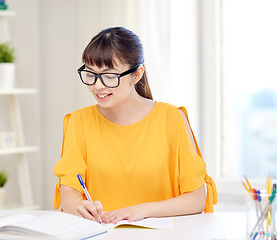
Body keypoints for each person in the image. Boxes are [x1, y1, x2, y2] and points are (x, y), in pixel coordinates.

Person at [53, 27, 217, 224]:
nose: (97, 86)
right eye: (90, 74)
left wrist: (141, 210)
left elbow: (196, 199)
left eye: (109, 76)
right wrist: (80, 206)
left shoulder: (172, 118)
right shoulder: (78, 121)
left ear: (137, 74)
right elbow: (69, 192)